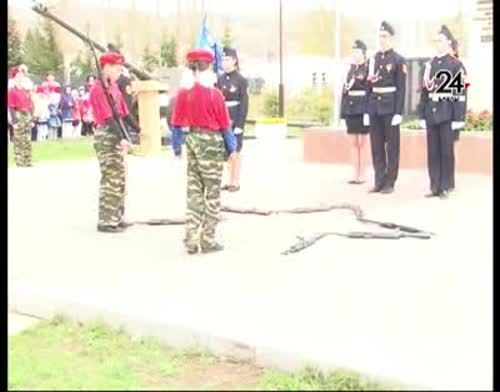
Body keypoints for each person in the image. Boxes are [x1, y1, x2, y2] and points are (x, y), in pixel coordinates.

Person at [170, 49, 237, 254]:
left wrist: (177, 148)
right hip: (211, 144)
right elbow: (225, 125)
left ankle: (191, 239)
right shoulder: (214, 94)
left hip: (192, 142)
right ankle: (208, 240)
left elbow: (176, 125)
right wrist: (232, 149)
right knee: (212, 194)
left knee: (194, 192)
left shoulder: (183, 94)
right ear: (208, 68)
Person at [89, 52, 140, 233]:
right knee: (111, 177)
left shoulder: (113, 87)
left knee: (120, 177)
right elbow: (109, 118)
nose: (120, 71)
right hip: (107, 134)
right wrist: (123, 138)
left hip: (116, 132)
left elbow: (124, 113)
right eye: (117, 67)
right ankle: (106, 221)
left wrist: (139, 130)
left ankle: (117, 216)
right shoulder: (97, 89)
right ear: (106, 67)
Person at [418, 26, 467, 199]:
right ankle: (435, 186)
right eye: (436, 40)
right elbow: (424, 92)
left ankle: (446, 185)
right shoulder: (429, 64)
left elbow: (460, 93)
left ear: (448, 43)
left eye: (441, 40)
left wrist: (458, 117)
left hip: (447, 113)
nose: (438, 43)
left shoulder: (455, 64)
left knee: (446, 151)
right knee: (433, 151)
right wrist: (421, 115)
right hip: (431, 113)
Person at [366, 21, 407, 194]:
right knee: (376, 146)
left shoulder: (398, 60)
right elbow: (368, 85)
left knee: (392, 147)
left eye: (385, 36)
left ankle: (390, 181)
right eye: (380, 36)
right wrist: (367, 111)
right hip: (375, 106)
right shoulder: (373, 59)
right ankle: (379, 180)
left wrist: (399, 112)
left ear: (391, 38)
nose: (382, 40)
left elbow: (401, 88)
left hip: (390, 108)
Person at [216, 46, 249, 192]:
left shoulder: (241, 80)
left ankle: (235, 181)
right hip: (222, 119)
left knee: (235, 150)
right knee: (224, 151)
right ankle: (228, 180)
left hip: (235, 118)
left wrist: (240, 124)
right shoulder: (219, 79)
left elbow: (244, 103)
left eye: (227, 59)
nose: (224, 62)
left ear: (234, 61)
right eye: (222, 59)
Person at [340, 40, 370, 184]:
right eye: (353, 52)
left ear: (363, 53)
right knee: (353, 142)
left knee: (362, 142)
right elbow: (344, 91)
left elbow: (369, 91)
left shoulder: (368, 68)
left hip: (362, 108)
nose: (354, 54)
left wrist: (368, 111)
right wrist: (342, 112)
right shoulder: (349, 69)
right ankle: (354, 173)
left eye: (357, 52)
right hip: (350, 108)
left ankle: (362, 174)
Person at [8, 66, 34, 167]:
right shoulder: (11, 91)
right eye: (18, 76)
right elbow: (11, 107)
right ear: (14, 78)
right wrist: (14, 121)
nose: (20, 78)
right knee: (19, 139)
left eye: (22, 76)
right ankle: (19, 161)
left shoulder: (25, 90)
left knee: (27, 138)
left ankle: (27, 160)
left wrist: (31, 118)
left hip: (27, 114)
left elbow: (30, 104)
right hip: (18, 113)